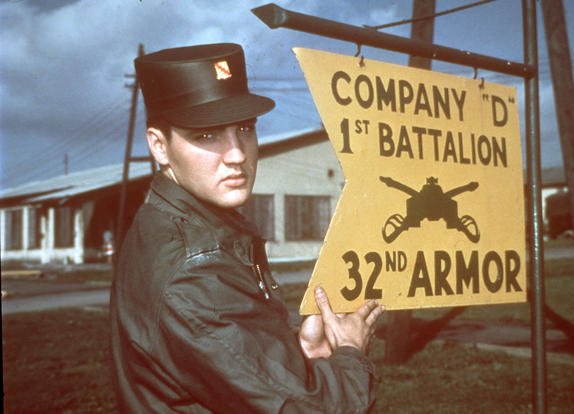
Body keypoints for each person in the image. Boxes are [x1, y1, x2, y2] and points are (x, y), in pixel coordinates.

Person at [109, 43, 385, 413]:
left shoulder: (173, 223)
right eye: (206, 135)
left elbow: (223, 367)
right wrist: (351, 351)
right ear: (159, 146)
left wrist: (297, 354)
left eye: (245, 129)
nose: (237, 154)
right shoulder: (194, 270)